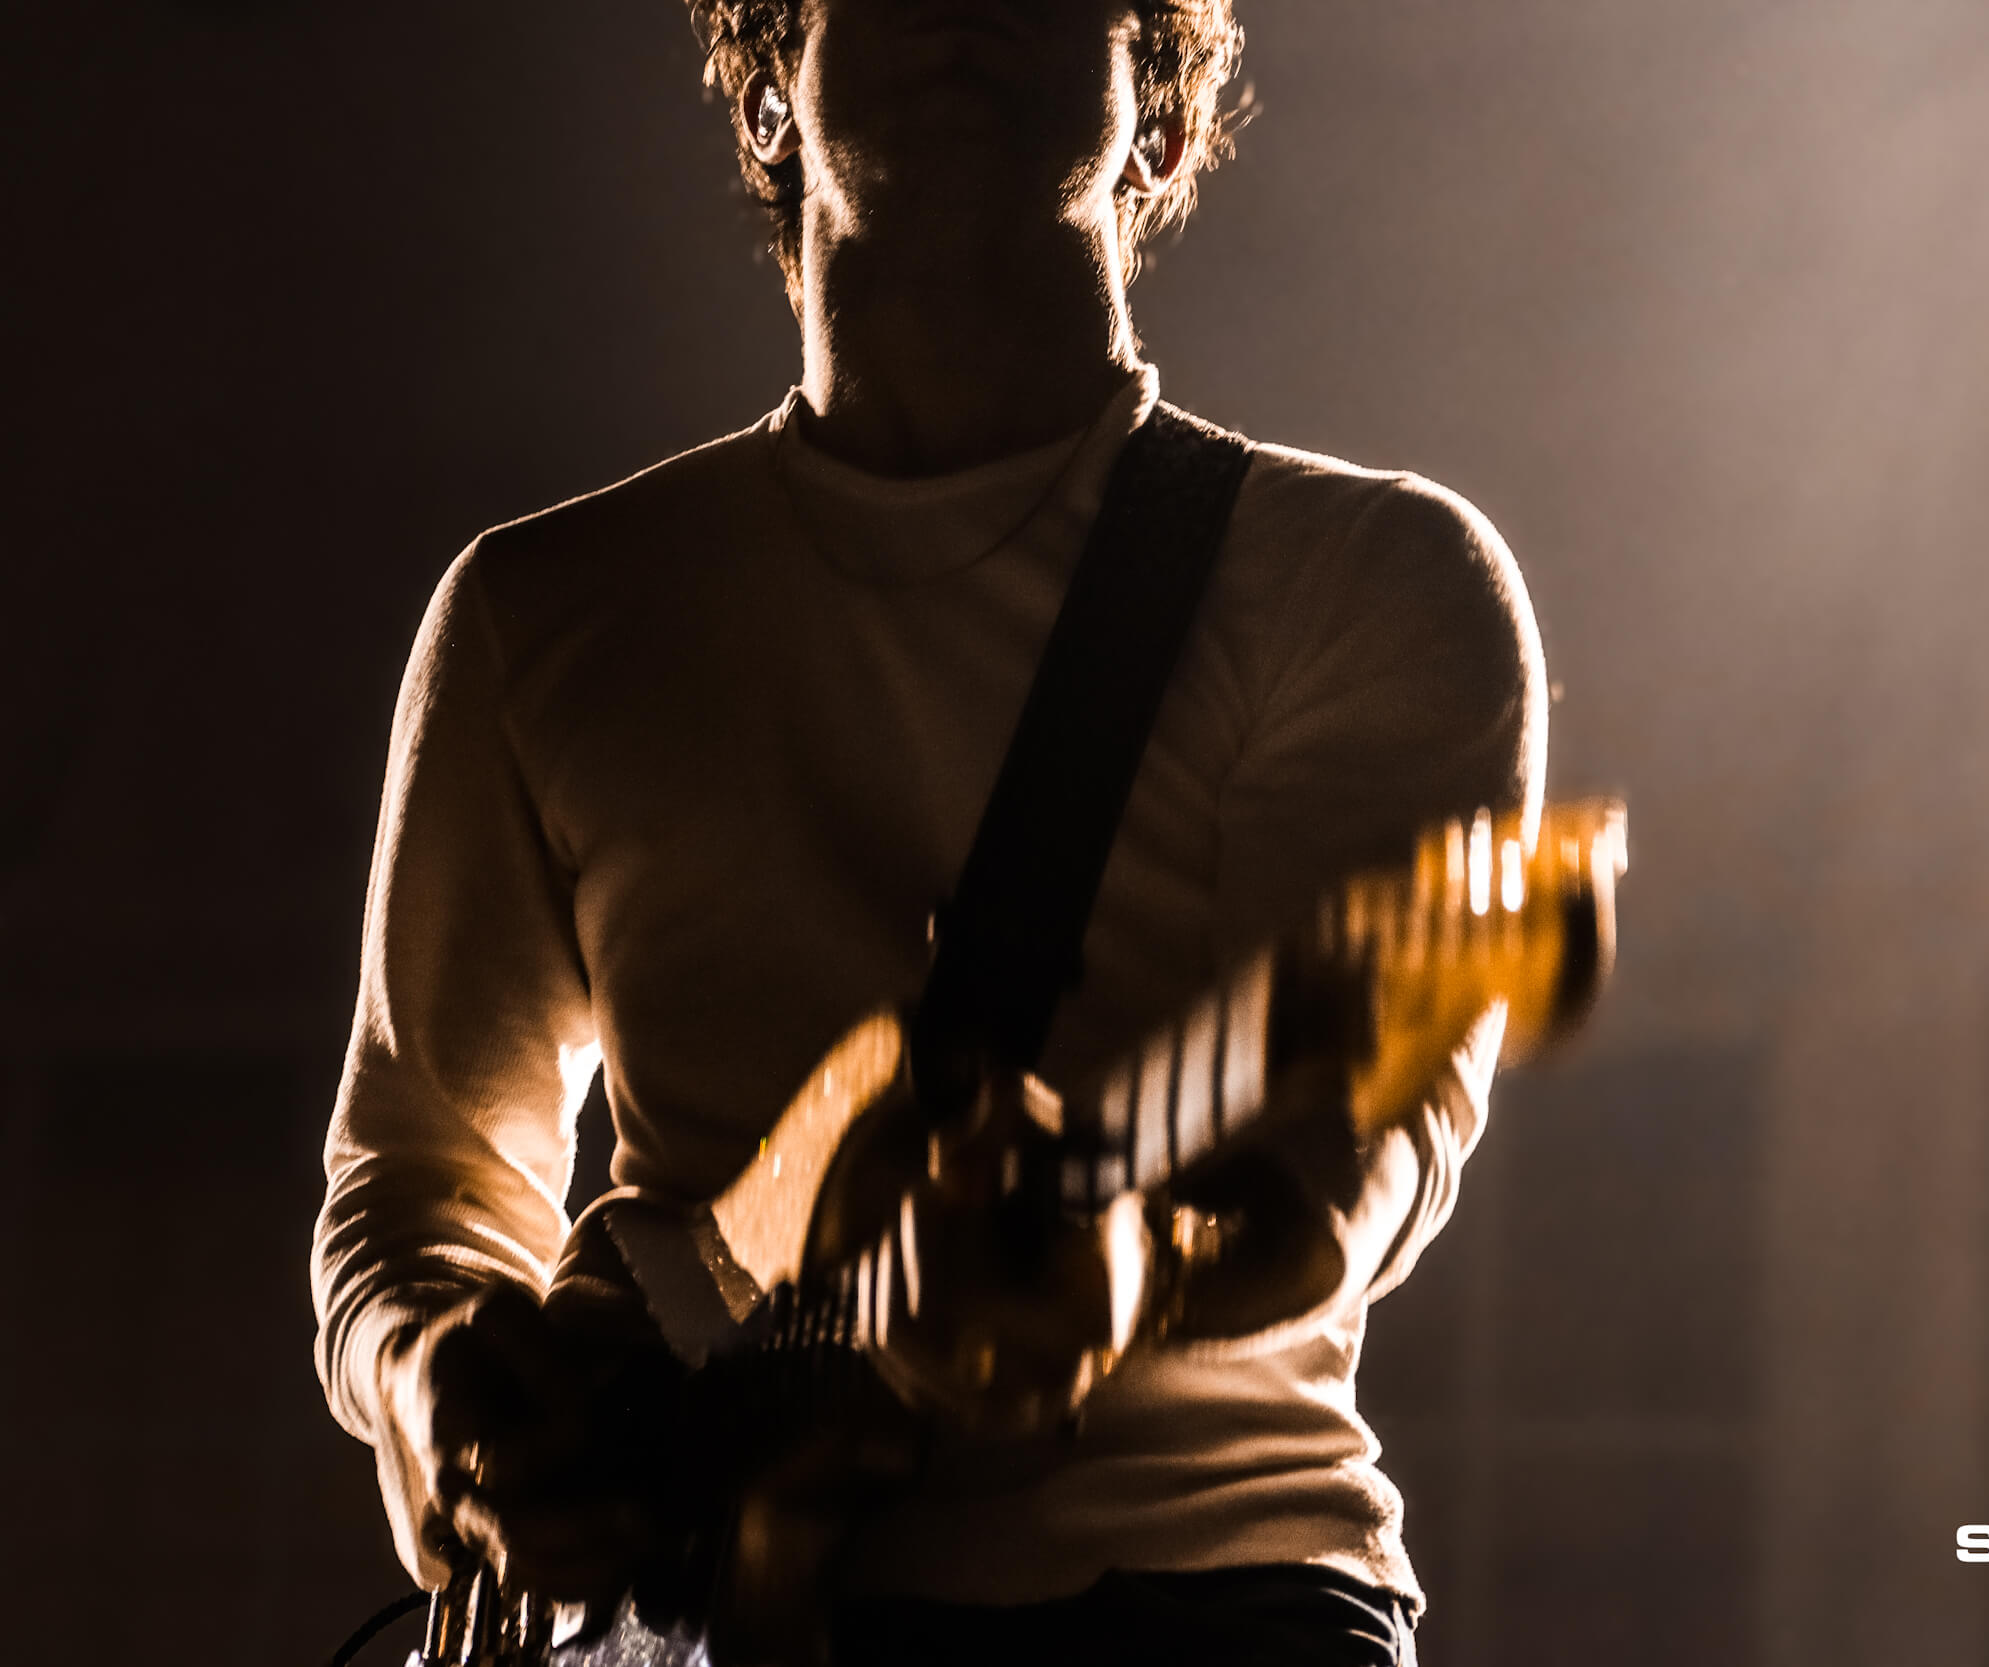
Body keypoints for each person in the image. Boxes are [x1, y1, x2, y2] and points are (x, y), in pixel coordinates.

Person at [311, 1, 1547, 1660]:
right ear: (766, 98)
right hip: (692, 1619)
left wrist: (1144, 1267)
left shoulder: (1375, 582)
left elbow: (1344, 1158)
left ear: (1158, 124)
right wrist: (446, 1387)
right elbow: (417, 1178)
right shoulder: (542, 615)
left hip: (1205, 1596)